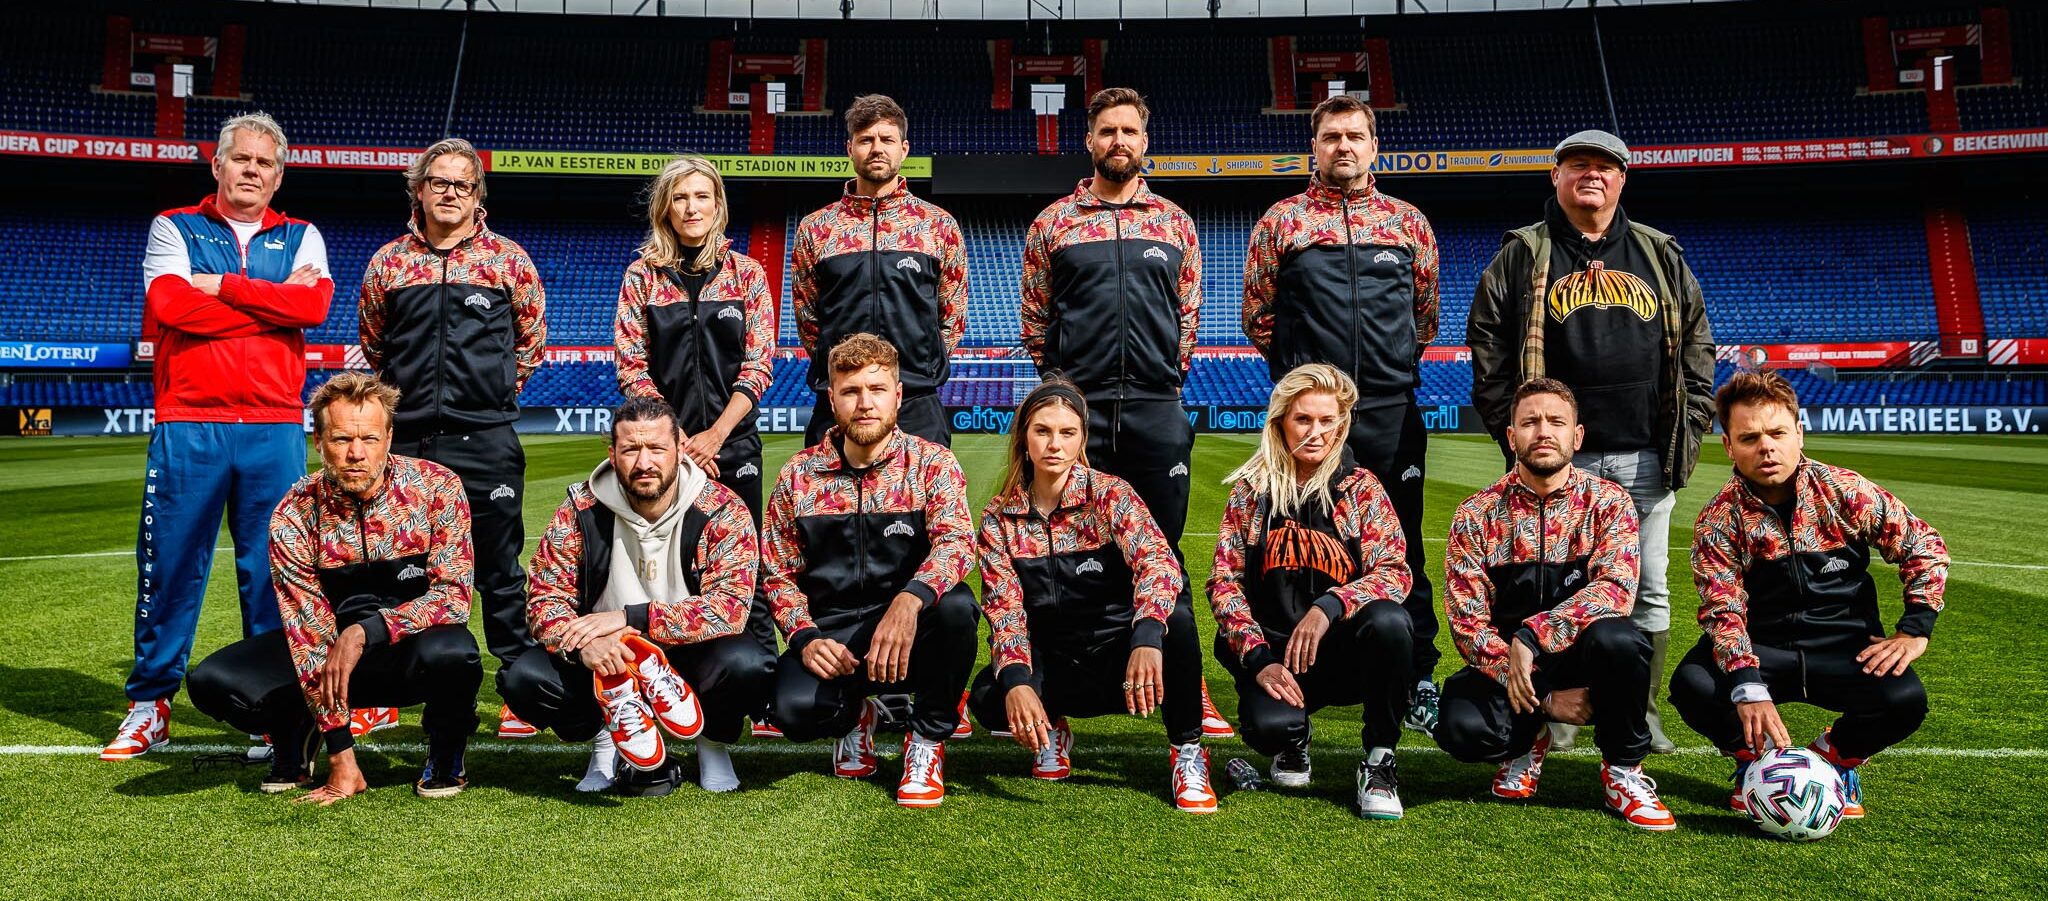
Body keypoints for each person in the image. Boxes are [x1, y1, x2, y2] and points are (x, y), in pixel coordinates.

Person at [1467, 129, 1714, 754]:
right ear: (1556, 176)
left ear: (1622, 179)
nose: (1591, 177)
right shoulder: (1524, 253)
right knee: (1556, 587)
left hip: (1642, 452)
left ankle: (1639, 711)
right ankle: (1557, 711)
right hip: (1556, 463)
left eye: (1604, 167)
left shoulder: (1658, 253)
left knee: (1647, 588)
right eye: (1577, 166)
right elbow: (1488, 345)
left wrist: (1688, 425)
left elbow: (1696, 346)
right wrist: (1513, 430)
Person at [108, 112, 334, 761]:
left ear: (278, 173)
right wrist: (267, 304)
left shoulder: (301, 234)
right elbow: (173, 307)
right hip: (190, 423)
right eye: (242, 160)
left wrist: (225, 288)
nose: (252, 171)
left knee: (274, 575)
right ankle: (150, 704)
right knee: (172, 568)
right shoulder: (172, 226)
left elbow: (313, 309)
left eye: (265, 163)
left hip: (272, 429)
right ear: (218, 164)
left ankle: (272, 711)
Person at [1020, 87, 1232, 738]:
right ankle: (1049, 695)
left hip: (1153, 410)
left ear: (1145, 140)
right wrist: (1063, 397)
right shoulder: (1054, 223)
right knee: (1061, 553)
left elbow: (1187, 318)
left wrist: (1161, 381)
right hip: (1075, 415)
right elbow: (1035, 319)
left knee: (1163, 550)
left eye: (1129, 131)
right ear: (1089, 140)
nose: (1119, 141)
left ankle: (1187, 686)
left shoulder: (1174, 223)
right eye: (1107, 130)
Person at [1242, 93, 1445, 734]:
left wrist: (1380, 376)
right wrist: (1309, 384)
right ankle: (1287, 660)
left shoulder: (1408, 224)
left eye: (1355, 135)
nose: (1344, 147)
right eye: (1331, 136)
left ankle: (1414, 675)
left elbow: (1424, 317)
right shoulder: (1284, 222)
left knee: (1403, 547)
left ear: (1373, 144)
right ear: (1315, 146)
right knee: (1293, 544)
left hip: (1388, 412)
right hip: (1310, 417)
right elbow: (1259, 316)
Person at [186, 373, 482, 804]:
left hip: (409, 652)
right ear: (319, 442)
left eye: (370, 438)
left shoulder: (437, 487)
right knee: (215, 681)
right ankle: (298, 733)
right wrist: (342, 755)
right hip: (327, 660)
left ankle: (445, 753)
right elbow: (307, 632)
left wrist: (366, 631)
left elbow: (454, 597)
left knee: (456, 653)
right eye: (342, 439)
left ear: (389, 436)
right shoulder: (294, 512)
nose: (356, 454)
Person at [1672, 370, 1947, 819]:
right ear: (1729, 447)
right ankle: (1756, 768)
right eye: (1750, 437)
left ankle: (1834, 758)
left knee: (1904, 701)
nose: (1766, 447)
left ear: (1799, 432)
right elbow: (1723, 608)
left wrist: (1915, 628)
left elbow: (1924, 545)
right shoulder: (1719, 518)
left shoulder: (1846, 492)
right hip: (1766, 650)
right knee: (1694, 685)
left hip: (1845, 649)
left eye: (1778, 433)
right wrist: (1746, 684)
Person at [358, 137, 547, 740]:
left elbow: (530, 341)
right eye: (438, 182)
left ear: (478, 195)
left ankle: (519, 685)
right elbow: (375, 342)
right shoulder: (388, 262)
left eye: (462, 184)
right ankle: (382, 690)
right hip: (406, 440)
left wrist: (484, 398)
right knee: (396, 569)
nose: (449, 193)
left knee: (499, 567)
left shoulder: (508, 260)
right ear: (419, 190)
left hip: (485, 438)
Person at [501, 397, 776, 796]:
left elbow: (729, 610)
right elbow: (543, 600)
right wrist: (584, 646)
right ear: (612, 455)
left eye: (657, 448)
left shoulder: (721, 508)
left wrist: (630, 619)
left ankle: (711, 741)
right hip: (607, 660)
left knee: (749, 663)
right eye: (631, 448)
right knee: (523, 678)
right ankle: (605, 738)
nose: (644, 462)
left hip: (688, 652)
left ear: (680, 451)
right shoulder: (579, 510)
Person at [1434, 378, 1674, 831]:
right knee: (1461, 728)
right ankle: (1527, 743)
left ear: (1577, 436)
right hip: (1514, 672)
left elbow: (1615, 591)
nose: (1543, 431)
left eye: (1556, 422)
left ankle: (1624, 771)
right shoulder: (1476, 513)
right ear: (1511, 437)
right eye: (1530, 422)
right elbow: (1467, 625)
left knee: (1621, 639)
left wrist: (1533, 633)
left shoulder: (1609, 502)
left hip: (1585, 662)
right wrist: (1542, 695)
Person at [966, 380, 1215, 813]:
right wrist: (1019, 682)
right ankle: (1053, 730)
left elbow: (1159, 562)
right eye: (1042, 431)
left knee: (1177, 624)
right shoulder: (997, 518)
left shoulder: (1110, 494)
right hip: (1057, 659)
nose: (1054, 445)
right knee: (991, 696)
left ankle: (1188, 752)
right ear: (1024, 437)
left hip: (1119, 658)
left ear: (1082, 438)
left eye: (1067, 433)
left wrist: (1146, 637)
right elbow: (1004, 611)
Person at [762, 333, 979, 807]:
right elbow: (777, 573)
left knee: (957, 606)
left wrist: (910, 599)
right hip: (836, 638)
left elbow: (958, 544)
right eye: (851, 391)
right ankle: (855, 715)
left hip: (908, 636)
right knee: (790, 710)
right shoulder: (799, 476)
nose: (865, 403)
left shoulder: (931, 464)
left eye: (877, 389)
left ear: (898, 396)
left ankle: (925, 741)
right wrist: (804, 638)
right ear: (832, 399)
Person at [1206, 364, 1414, 819]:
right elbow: (1224, 582)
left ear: (1342, 424)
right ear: (1280, 421)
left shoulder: (1361, 488)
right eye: (1303, 419)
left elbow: (1395, 572)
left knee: (1391, 622)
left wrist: (1330, 606)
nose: (1316, 432)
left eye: (1327, 421)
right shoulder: (1252, 491)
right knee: (1269, 729)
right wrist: (1259, 659)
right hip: (1277, 655)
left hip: (1342, 651)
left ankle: (1379, 759)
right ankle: (1292, 741)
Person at [614, 154, 780, 665]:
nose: (692, 207)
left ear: (717, 205)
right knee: (668, 565)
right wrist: (680, 442)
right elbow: (631, 367)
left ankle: (760, 675)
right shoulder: (643, 276)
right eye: (681, 196)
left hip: (734, 445)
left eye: (701, 196)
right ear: (666, 206)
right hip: (664, 452)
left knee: (746, 563)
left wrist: (715, 437)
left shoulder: (746, 274)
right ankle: (665, 674)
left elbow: (758, 366)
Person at [790, 94, 966, 448]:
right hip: (839, 400)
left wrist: (917, 368)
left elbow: (951, 314)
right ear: (850, 148)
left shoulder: (937, 225)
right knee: (827, 503)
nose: (876, 148)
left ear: (903, 149)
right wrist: (846, 374)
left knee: (923, 504)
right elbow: (809, 319)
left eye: (886, 139)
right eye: (866, 140)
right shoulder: (816, 228)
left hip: (916, 400)